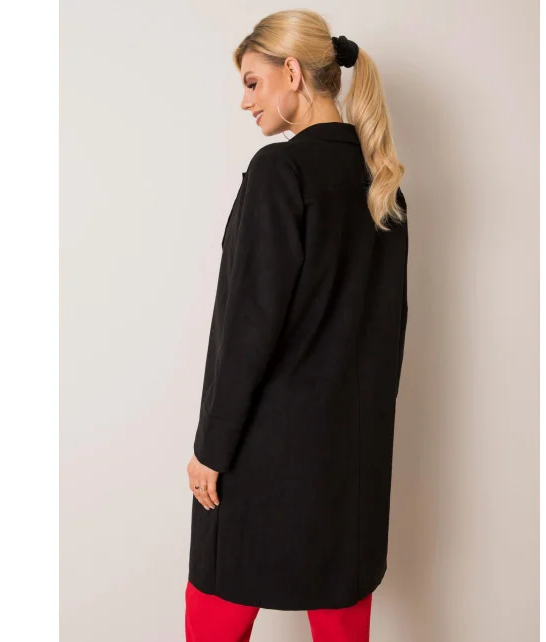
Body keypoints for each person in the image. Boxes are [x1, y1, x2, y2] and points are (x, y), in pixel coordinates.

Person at [185, 9, 409, 642]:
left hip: (262, 453)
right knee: (342, 616)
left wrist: (212, 448)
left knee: (215, 608)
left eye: (252, 82)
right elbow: (388, 332)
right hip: (352, 463)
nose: (245, 101)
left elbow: (248, 326)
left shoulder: (279, 171)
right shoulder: (383, 181)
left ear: (292, 73)